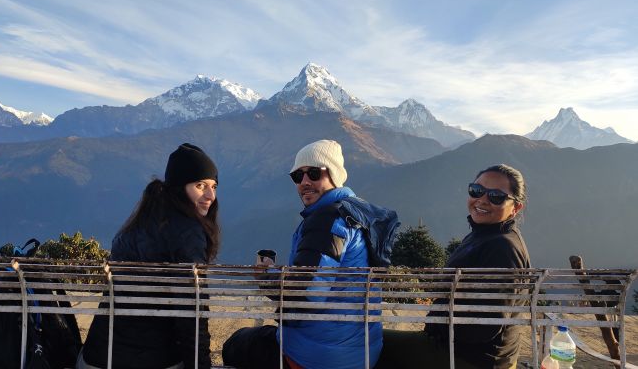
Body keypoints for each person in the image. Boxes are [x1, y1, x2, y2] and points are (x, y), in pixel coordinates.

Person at [222, 139, 400, 369]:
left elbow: (307, 293)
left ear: (334, 176)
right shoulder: (356, 213)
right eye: (298, 176)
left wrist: (266, 276)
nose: (305, 182)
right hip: (359, 351)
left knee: (236, 345)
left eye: (314, 173)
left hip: (318, 357)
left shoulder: (327, 220)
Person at [375, 164, 531, 369]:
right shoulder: (487, 234)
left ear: (516, 207)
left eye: (496, 196)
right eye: (477, 191)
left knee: (365, 342)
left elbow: (485, 327)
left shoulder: (502, 248)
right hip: (465, 351)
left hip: (470, 359)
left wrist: (437, 324)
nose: (482, 199)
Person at [79, 143, 220, 369]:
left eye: (213, 186)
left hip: (95, 359)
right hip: (150, 361)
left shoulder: (139, 223)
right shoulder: (188, 232)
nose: (210, 195)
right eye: (200, 185)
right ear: (179, 187)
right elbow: (192, 317)